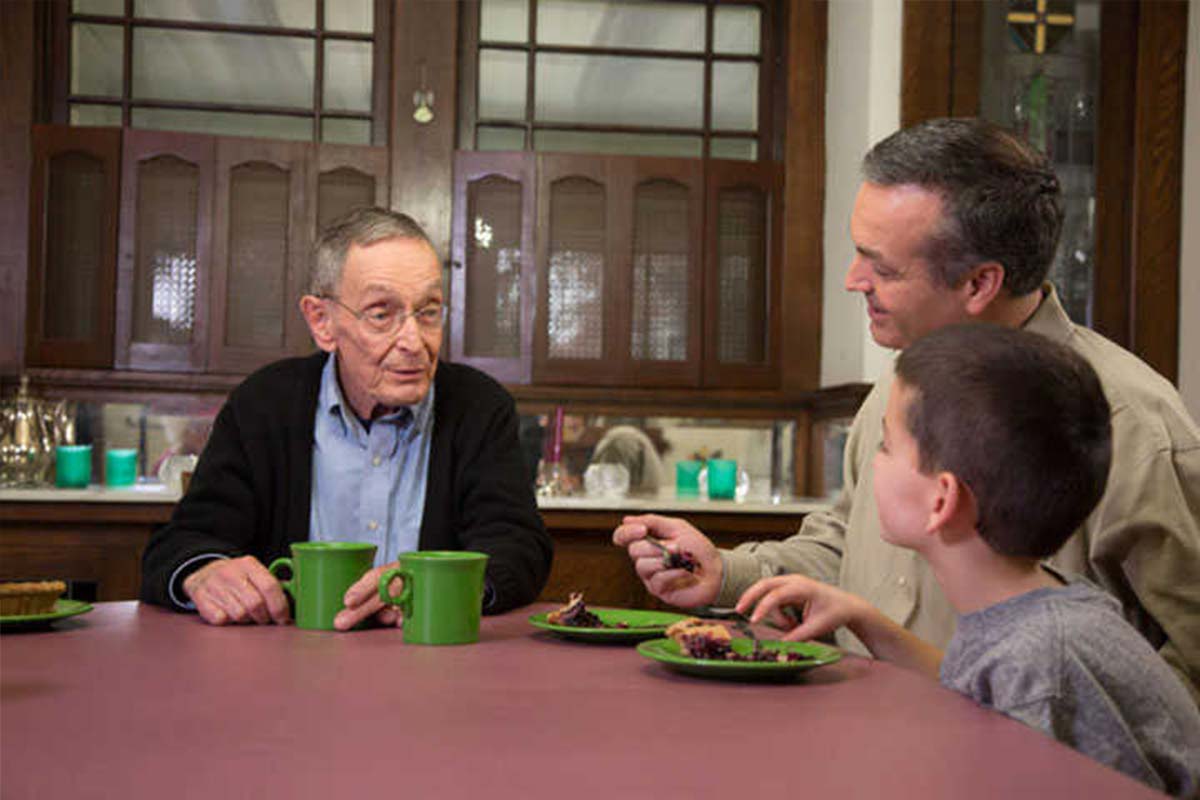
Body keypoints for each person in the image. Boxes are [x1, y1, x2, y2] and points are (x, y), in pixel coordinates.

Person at [613, 117, 1200, 702]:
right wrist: (723, 572)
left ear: (979, 283)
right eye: (857, 253)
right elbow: (846, 546)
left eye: (883, 268)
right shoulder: (902, 385)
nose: (853, 280)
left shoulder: (1132, 429)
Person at [736, 324, 1200, 796]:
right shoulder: (1043, 610)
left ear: (942, 501)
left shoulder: (1039, 667)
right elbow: (971, 688)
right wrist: (862, 618)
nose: (872, 461)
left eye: (886, 446)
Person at [141, 207, 553, 628]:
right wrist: (205, 572)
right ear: (322, 321)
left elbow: (519, 548)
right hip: (284, 657)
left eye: (429, 311)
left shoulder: (479, 407)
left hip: (428, 655)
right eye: (381, 314)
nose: (414, 342)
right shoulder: (264, 404)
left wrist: (434, 585)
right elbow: (184, 542)